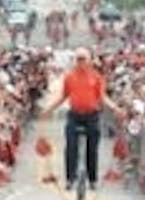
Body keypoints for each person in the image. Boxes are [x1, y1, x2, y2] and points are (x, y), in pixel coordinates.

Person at [40, 47, 121, 191]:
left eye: (83, 59)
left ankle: (92, 179)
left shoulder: (96, 77)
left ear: (89, 60)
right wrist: (49, 109)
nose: (81, 62)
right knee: (71, 147)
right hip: (74, 115)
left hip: (92, 115)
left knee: (92, 148)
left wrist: (115, 108)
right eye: (78, 59)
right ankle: (70, 179)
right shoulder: (69, 77)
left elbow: (102, 97)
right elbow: (63, 96)